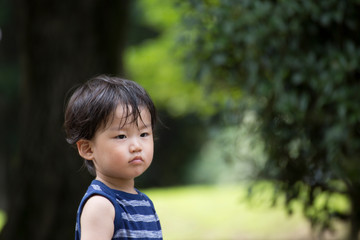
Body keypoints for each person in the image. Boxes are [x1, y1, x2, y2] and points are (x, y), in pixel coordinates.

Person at [64, 75, 162, 240]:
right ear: (88, 149)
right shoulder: (101, 205)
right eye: (122, 136)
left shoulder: (144, 203)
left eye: (144, 134)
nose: (136, 146)